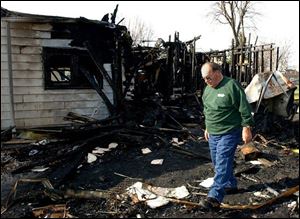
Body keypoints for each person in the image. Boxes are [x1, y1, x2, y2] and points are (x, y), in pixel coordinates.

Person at [199, 62, 254, 210]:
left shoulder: (232, 85)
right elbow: (208, 110)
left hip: (229, 131)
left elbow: (244, 108)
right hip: (213, 133)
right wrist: (207, 127)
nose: (206, 81)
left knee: (223, 160)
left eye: (208, 78)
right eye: (204, 78)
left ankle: (214, 196)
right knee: (217, 161)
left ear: (217, 72)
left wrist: (246, 127)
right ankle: (230, 184)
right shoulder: (207, 90)